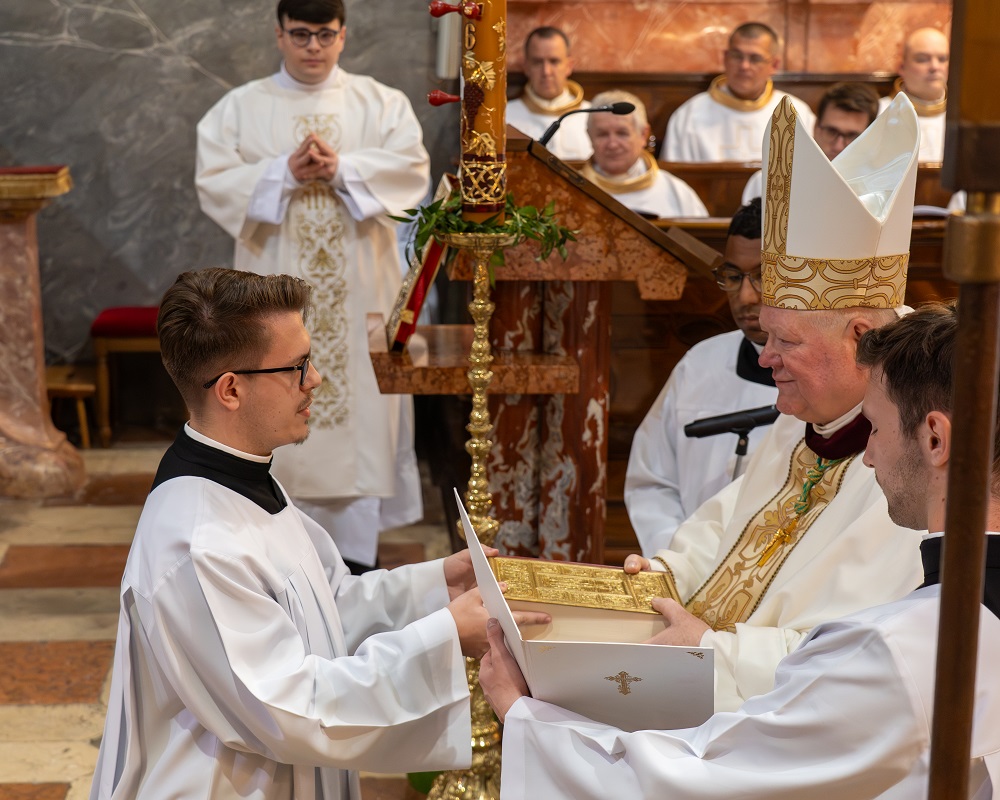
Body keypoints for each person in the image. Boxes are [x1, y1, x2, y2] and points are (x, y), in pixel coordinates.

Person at [480, 302, 1000, 799]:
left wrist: (524, 715)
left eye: (878, 429)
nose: (866, 455)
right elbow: (728, 526)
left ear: (935, 439)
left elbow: (697, 783)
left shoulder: (902, 649)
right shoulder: (942, 631)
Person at [89, 268, 549, 800]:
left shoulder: (244, 478)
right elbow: (291, 711)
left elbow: (323, 609)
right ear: (231, 389)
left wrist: (434, 588)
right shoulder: (198, 543)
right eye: (297, 367)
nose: (315, 380)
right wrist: (443, 634)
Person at [622, 94, 926, 713]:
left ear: (860, 337)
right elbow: (728, 523)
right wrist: (663, 576)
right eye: (766, 337)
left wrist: (711, 649)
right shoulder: (810, 417)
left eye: (786, 342)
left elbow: (859, 661)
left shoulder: (916, 460)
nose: (765, 359)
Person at [196, 0, 428, 574]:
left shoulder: (381, 103)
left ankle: (356, 569)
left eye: (325, 34)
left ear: (343, 35)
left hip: (361, 298)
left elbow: (411, 173)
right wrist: (283, 173)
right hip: (271, 302)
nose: (313, 47)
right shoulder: (240, 108)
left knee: (361, 426)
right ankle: (272, 560)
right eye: (300, 34)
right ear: (279, 35)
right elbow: (214, 182)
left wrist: (343, 170)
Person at [625, 198, 777, 554]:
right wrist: (676, 556)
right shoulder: (700, 365)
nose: (745, 296)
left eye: (762, 276)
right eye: (733, 276)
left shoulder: (835, 377)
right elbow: (652, 482)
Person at [663, 22, 815, 162]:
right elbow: (675, 176)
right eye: (737, 56)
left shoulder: (794, 113)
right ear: (725, 58)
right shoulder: (690, 115)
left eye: (755, 58)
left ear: (774, 65)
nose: (744, 66)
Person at [742, 81, 880, 203]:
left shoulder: (878, 190)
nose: (839, 146)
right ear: (816, 128)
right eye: (831, 131)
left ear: (869, 137)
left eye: (852, 136)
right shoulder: (770, 181)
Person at [580, 90, 708, 218]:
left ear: (643, 134)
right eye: (602, 134)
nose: (612, 144)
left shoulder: (677, 194)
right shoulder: (574, 191)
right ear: (589, 136)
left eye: (622, 133)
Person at [507, 26, 593, 161]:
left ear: (569, 66)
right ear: (526, 67)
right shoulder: (505, 117)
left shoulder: (592, 116)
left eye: (554, 61)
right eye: (537, 62)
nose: (546, 72)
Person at [878, 27, 949, 163]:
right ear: (902, 67)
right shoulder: (878, 113)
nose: (935, 67)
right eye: (922, 59)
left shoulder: (964, 117)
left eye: (942, 59)